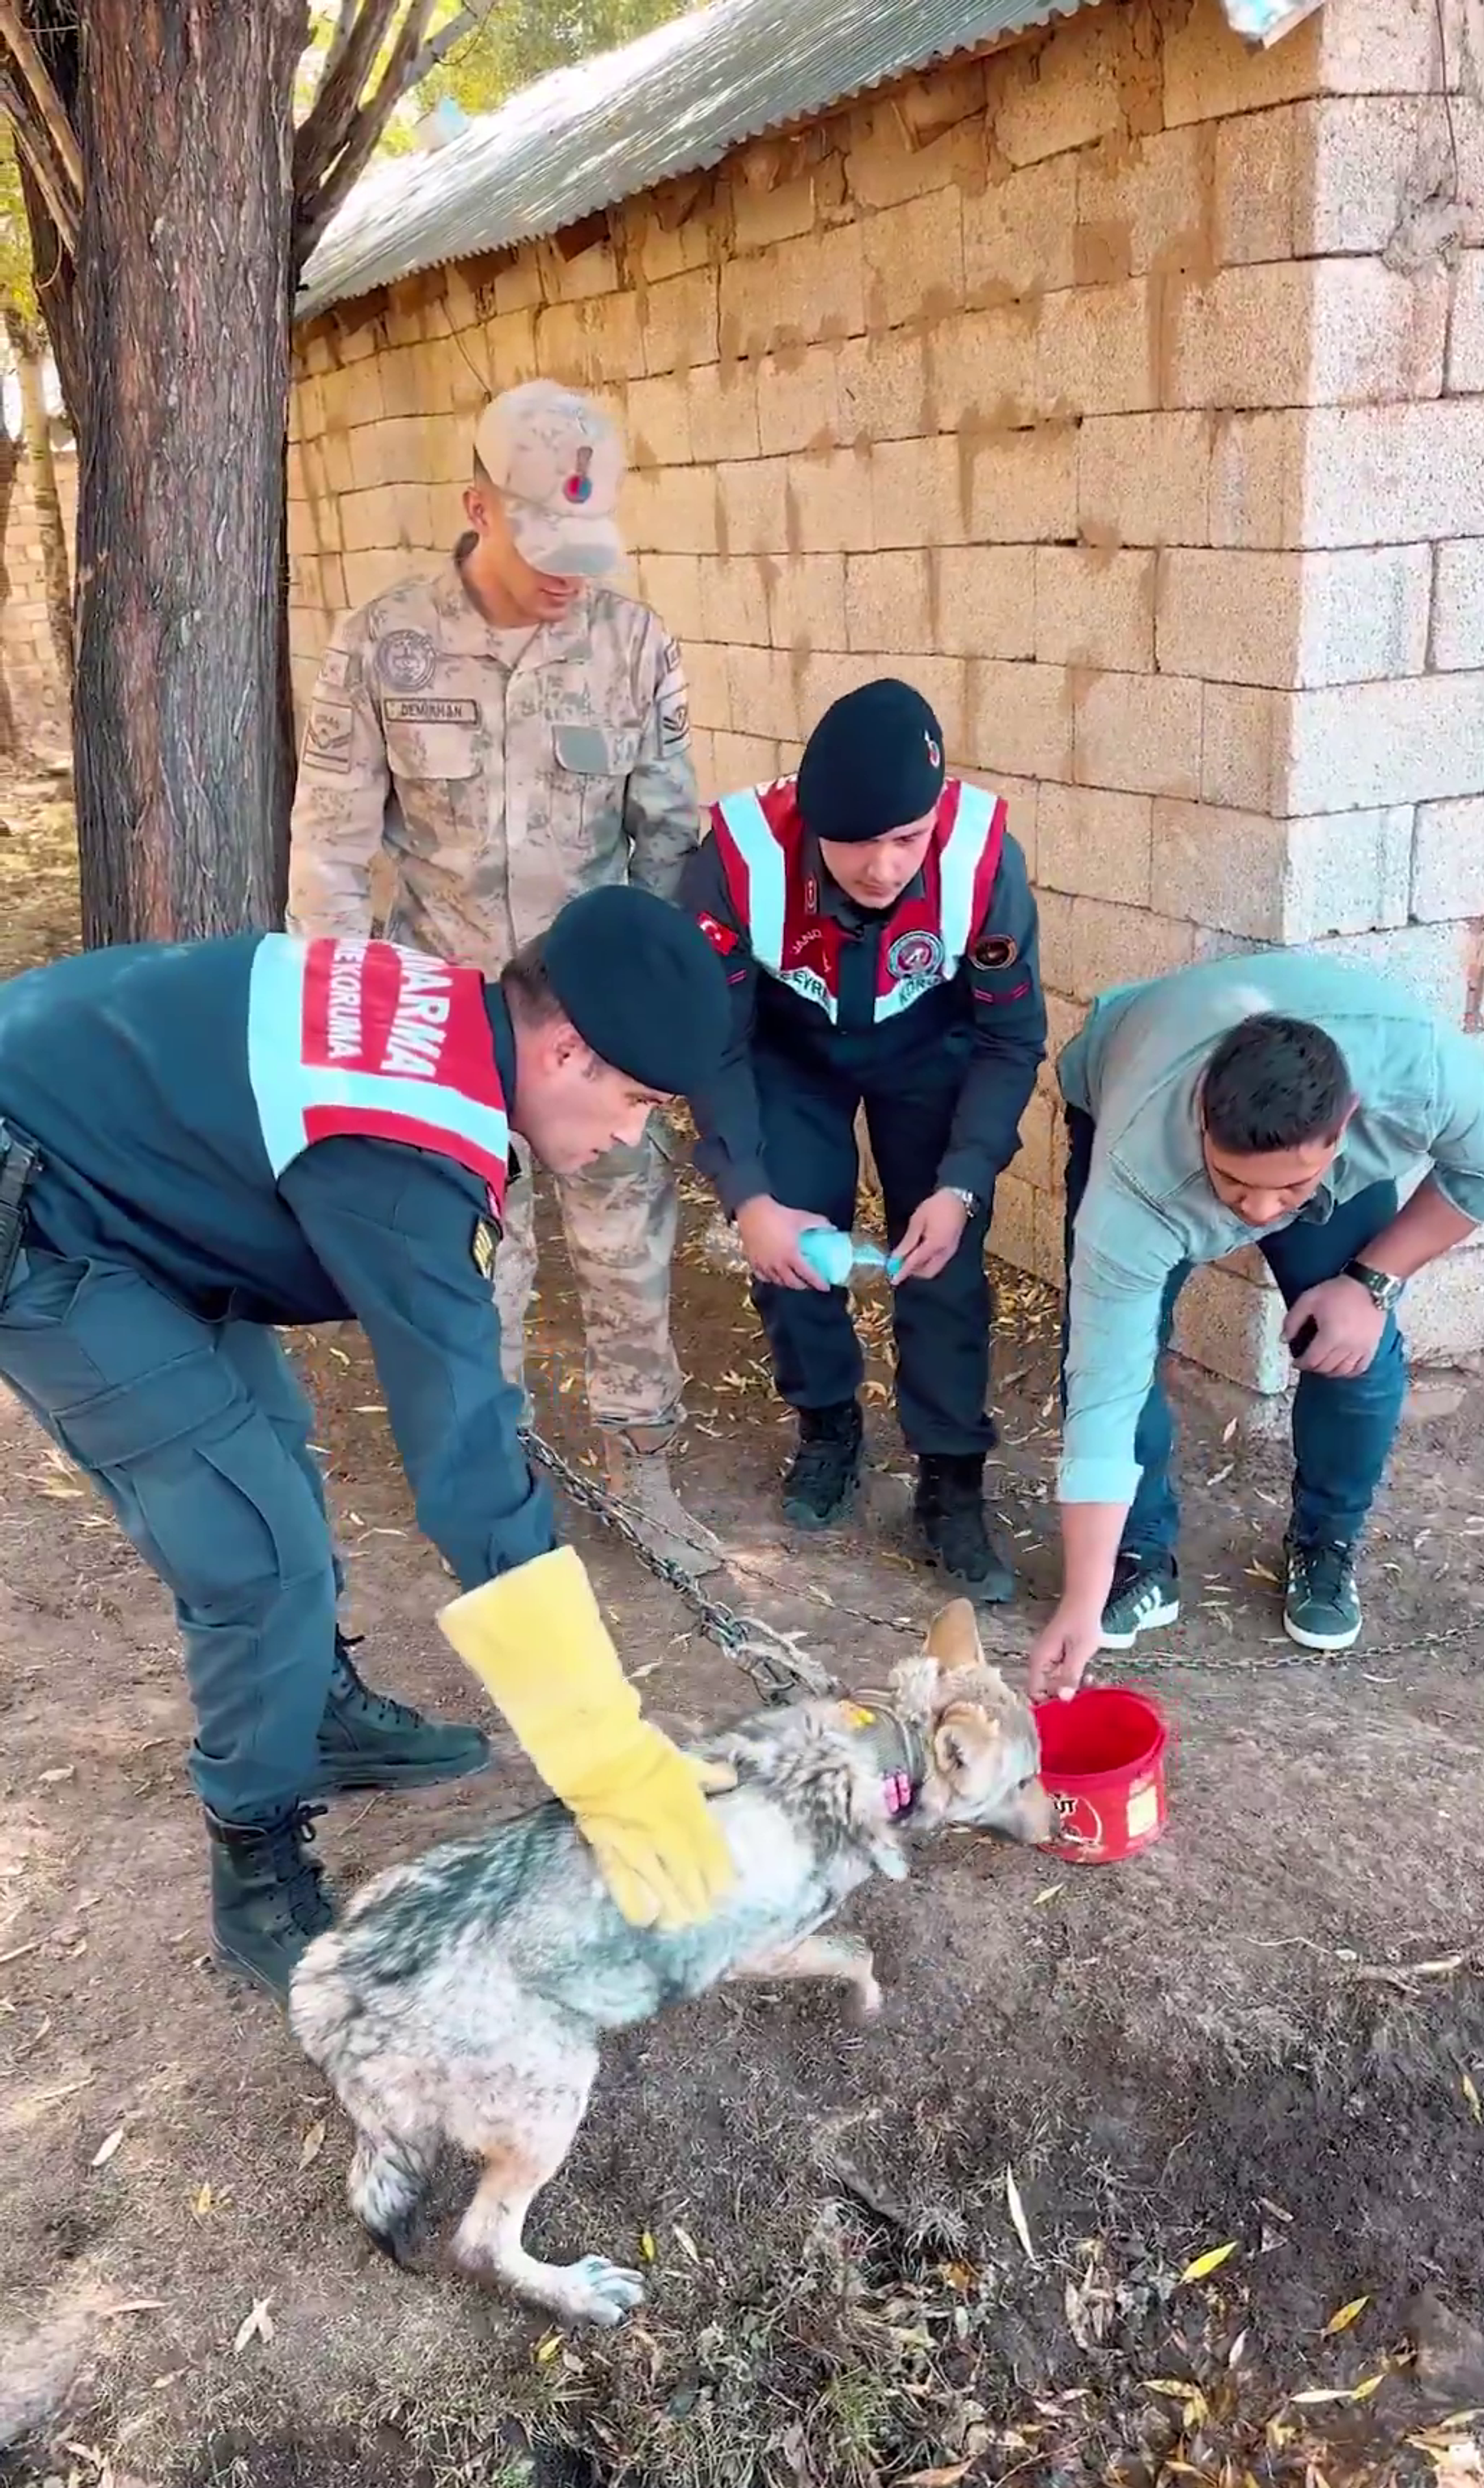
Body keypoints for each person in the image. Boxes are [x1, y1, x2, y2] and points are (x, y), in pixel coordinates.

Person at [0, 889, 740, 2002]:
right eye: (634, 1100)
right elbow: (467, 1467)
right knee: (252, 1546)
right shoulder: (405, 1147)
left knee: (276, 1441)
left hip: (127, 1176)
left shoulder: (456, 1026)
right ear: (567, 1045)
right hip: (42, 1208)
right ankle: (251, 1859)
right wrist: (608, 1755)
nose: (632, 1134)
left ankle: (314, 1710)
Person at [286, 377, 719, 1577]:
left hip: (597, 1034)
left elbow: (669, 848)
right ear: (477, 504)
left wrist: (672, 1028)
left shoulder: (638, 648)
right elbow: (329, 848)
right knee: (477, 1262)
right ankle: (504, 1481)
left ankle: (645, 1472)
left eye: (588, 546)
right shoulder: (383, 644)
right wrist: (338, 1020)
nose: (568, 574)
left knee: (629, 1247)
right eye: (543, 545)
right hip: (447, 1018)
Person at [1028, 951, 1484, 1693]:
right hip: (1132, 1075)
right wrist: (1078, 1598)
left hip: (1316, 1122)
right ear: (1203, 1112)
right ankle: (1137, 1558)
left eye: (1287, 1187)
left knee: (1358, 1349)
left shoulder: (1418, 1075)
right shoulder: (1135, 1180)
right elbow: (1103, 1389)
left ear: (1347, 1124)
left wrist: (1371, 1282)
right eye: (1236, 1184)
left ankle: (1325, 1544)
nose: (1260, 1213)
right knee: (1114, 1352)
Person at [682, 678, 1045, 1605]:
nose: (883, 869)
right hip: (789, 1046)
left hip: (929, 1046)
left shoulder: (982, 860)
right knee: (796, 1247)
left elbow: (1010, 1040)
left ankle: (951, 1476)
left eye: (906, 841)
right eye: (856, 843)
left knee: (944, 1264)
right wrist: (747, 1198)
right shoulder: (734, 859)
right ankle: (827, 1423)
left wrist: (964, 1182)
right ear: (811, 819)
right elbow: (711, 1042)